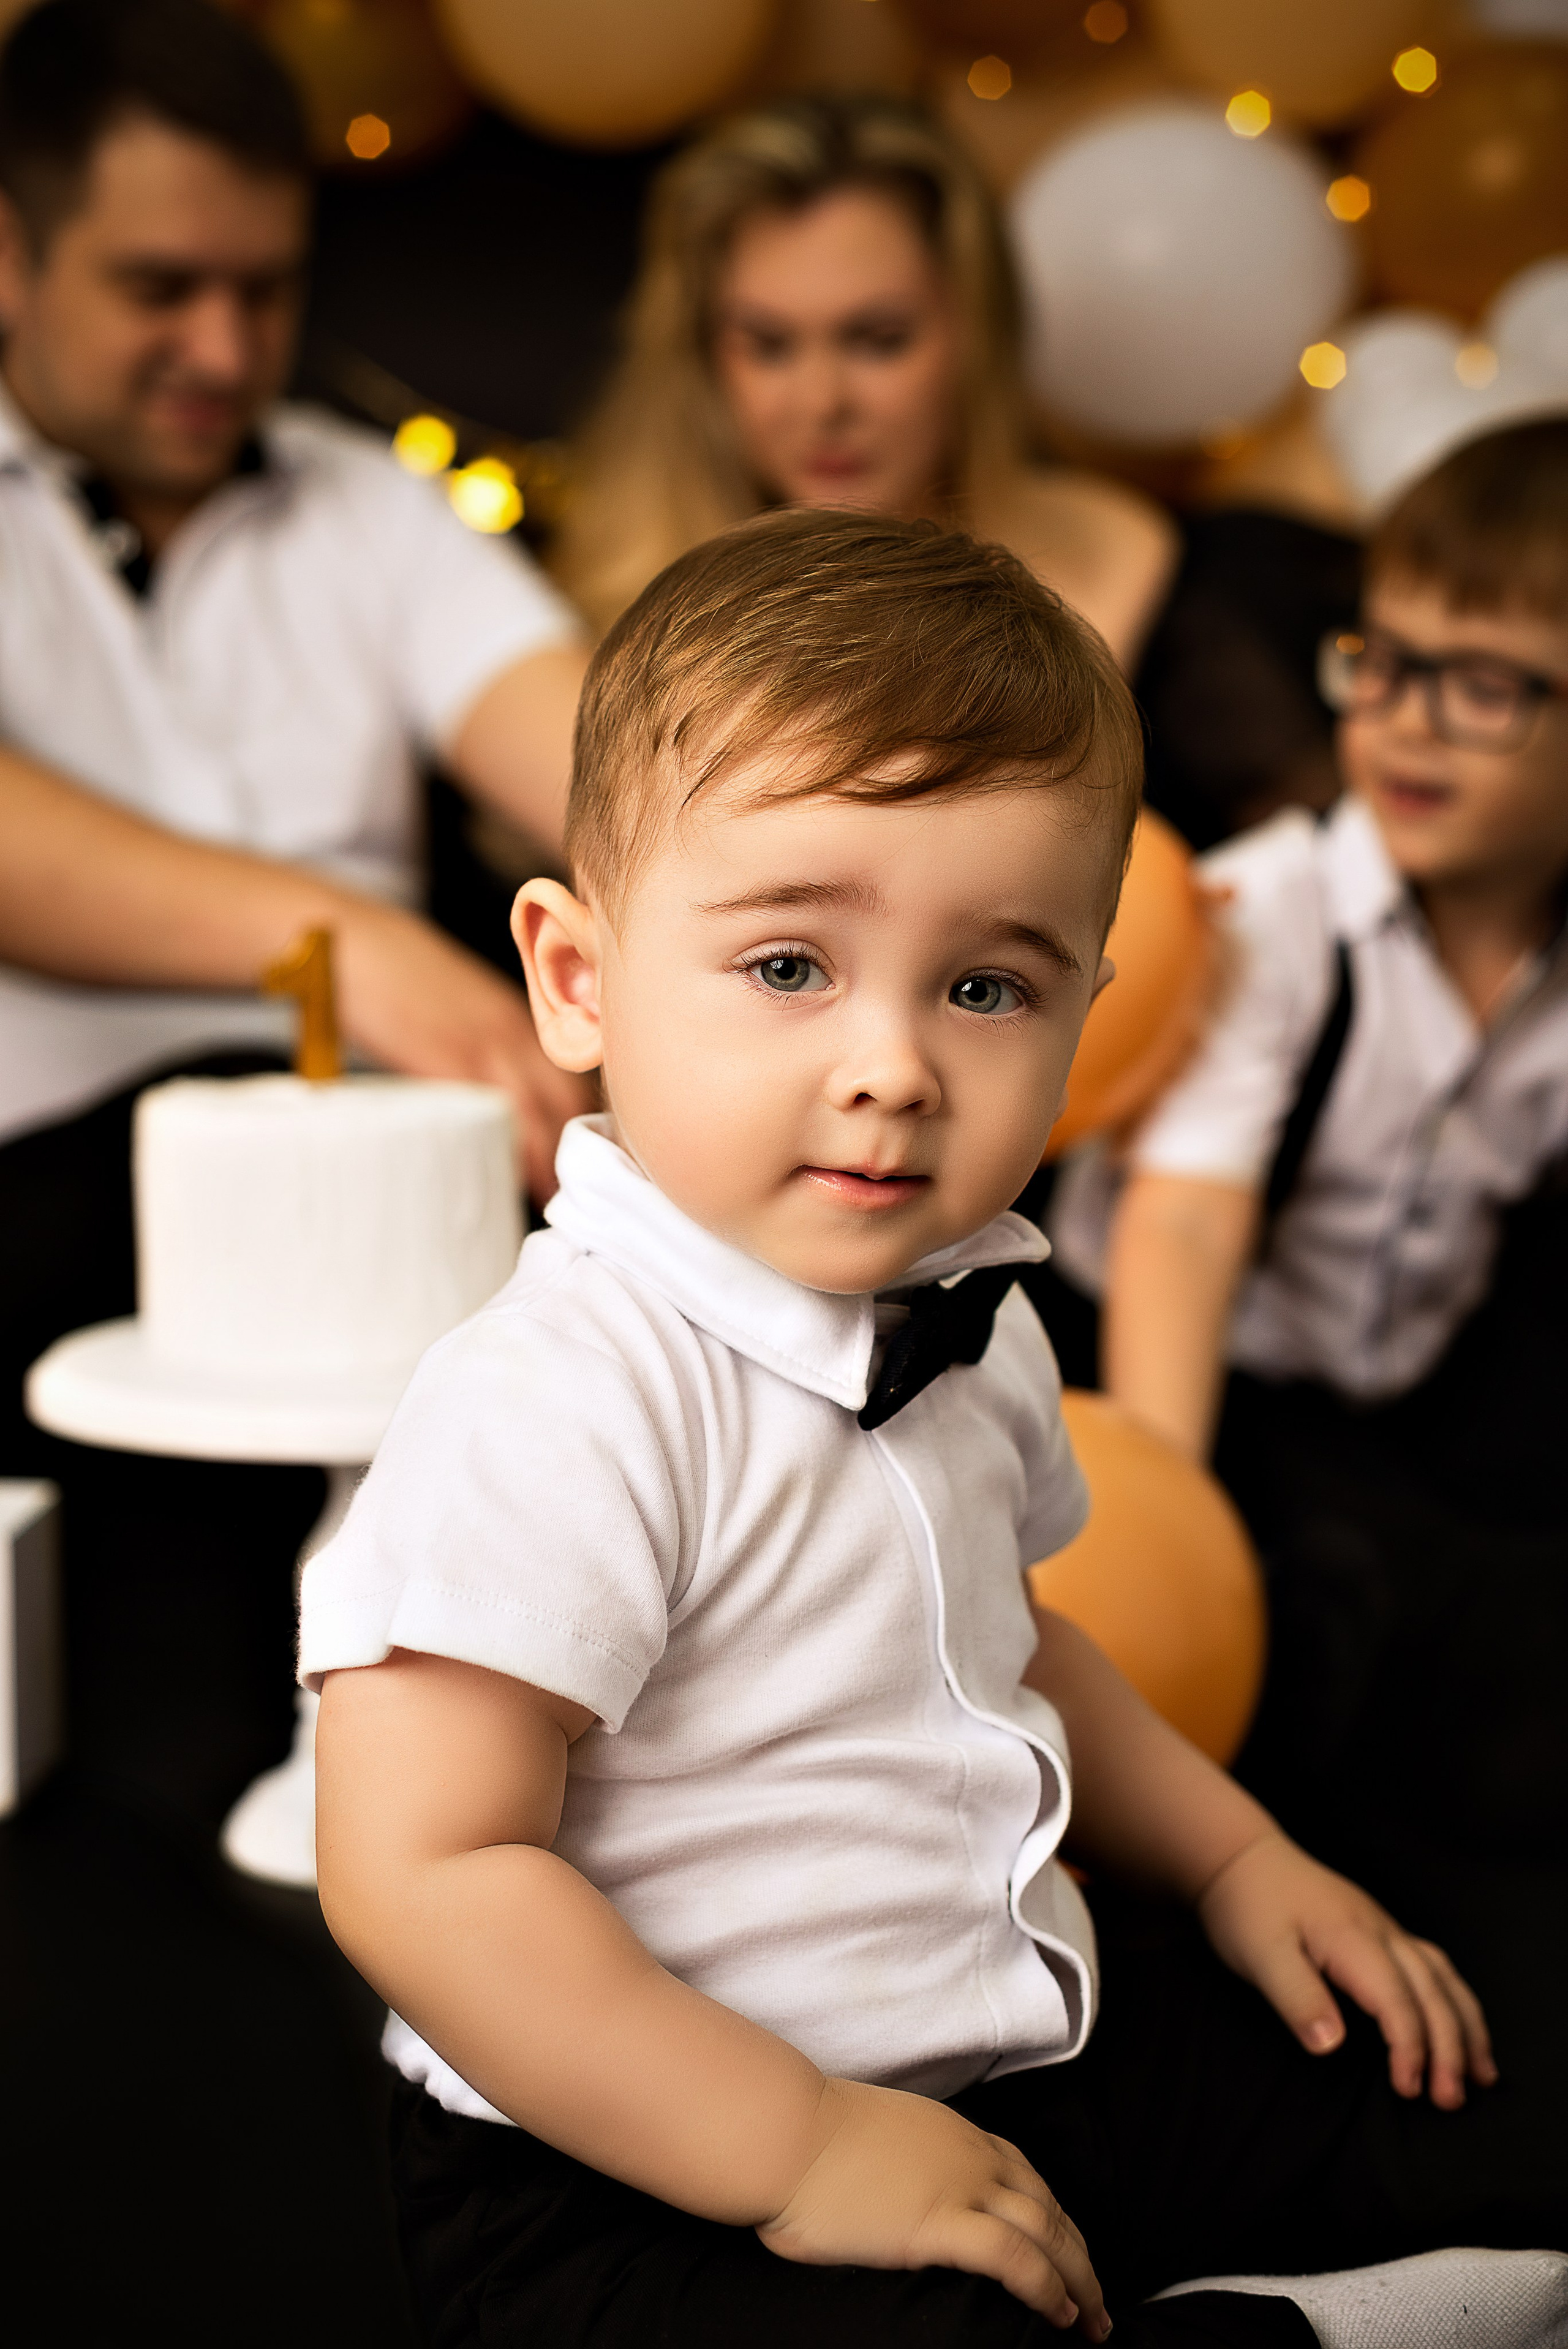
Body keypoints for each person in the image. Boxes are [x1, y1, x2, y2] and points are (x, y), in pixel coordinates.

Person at [303, 510, 1563, 2349]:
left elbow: (1016, 1636)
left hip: (989, 2047)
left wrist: (1232, 1863)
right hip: (630, 2159)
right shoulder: (563, 1394)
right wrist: (795, 2144)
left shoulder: (973, 1316)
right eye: (789, 968)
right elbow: (422, 1870)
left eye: (985, 987)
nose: (892, 1066)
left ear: (1076, 1022)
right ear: (576, 981)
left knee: (1433, 2091)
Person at [0, 0, 590, 1827]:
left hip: (404, 1179)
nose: (227, 345)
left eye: (265, 291)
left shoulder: (367, 508)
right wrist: (365, 957)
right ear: (8, 251)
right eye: (162, 286)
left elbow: (585, 746)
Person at [1047, 419, 1568, 1895]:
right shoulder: (1273, 917)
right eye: (1379, 661)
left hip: (1407, 1375)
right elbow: (1183, 1234)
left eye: (1479, 686)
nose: (1402, 720)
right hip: (1180, 1368)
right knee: (1310, 1644)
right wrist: (1161, 1524)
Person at [548, 91, 1174, 667]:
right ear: (701, 355)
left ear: (974, 334)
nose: (823, 403)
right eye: (768, 346)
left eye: (879, 341)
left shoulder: (1127, 566)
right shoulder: (606, 618)